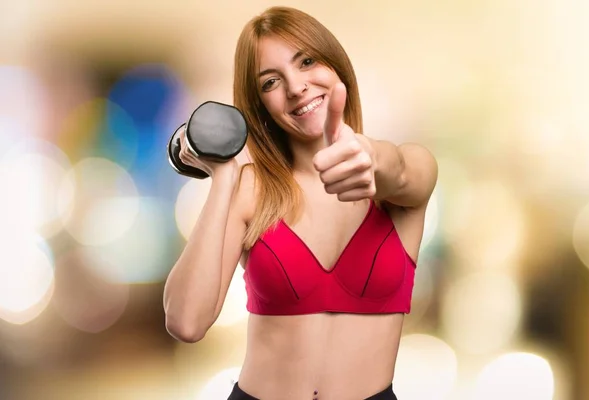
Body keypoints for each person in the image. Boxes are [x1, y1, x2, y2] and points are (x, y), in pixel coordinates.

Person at [163, 6, 438, 400]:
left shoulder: (406, 175)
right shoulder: (251, 189)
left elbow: (401, 171)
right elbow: (186, 322)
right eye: (271, 81)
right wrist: (224, 178)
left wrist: (369, 156)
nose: (296, 87)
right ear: (260, 106)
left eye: (307, 61)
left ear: (336, 65)